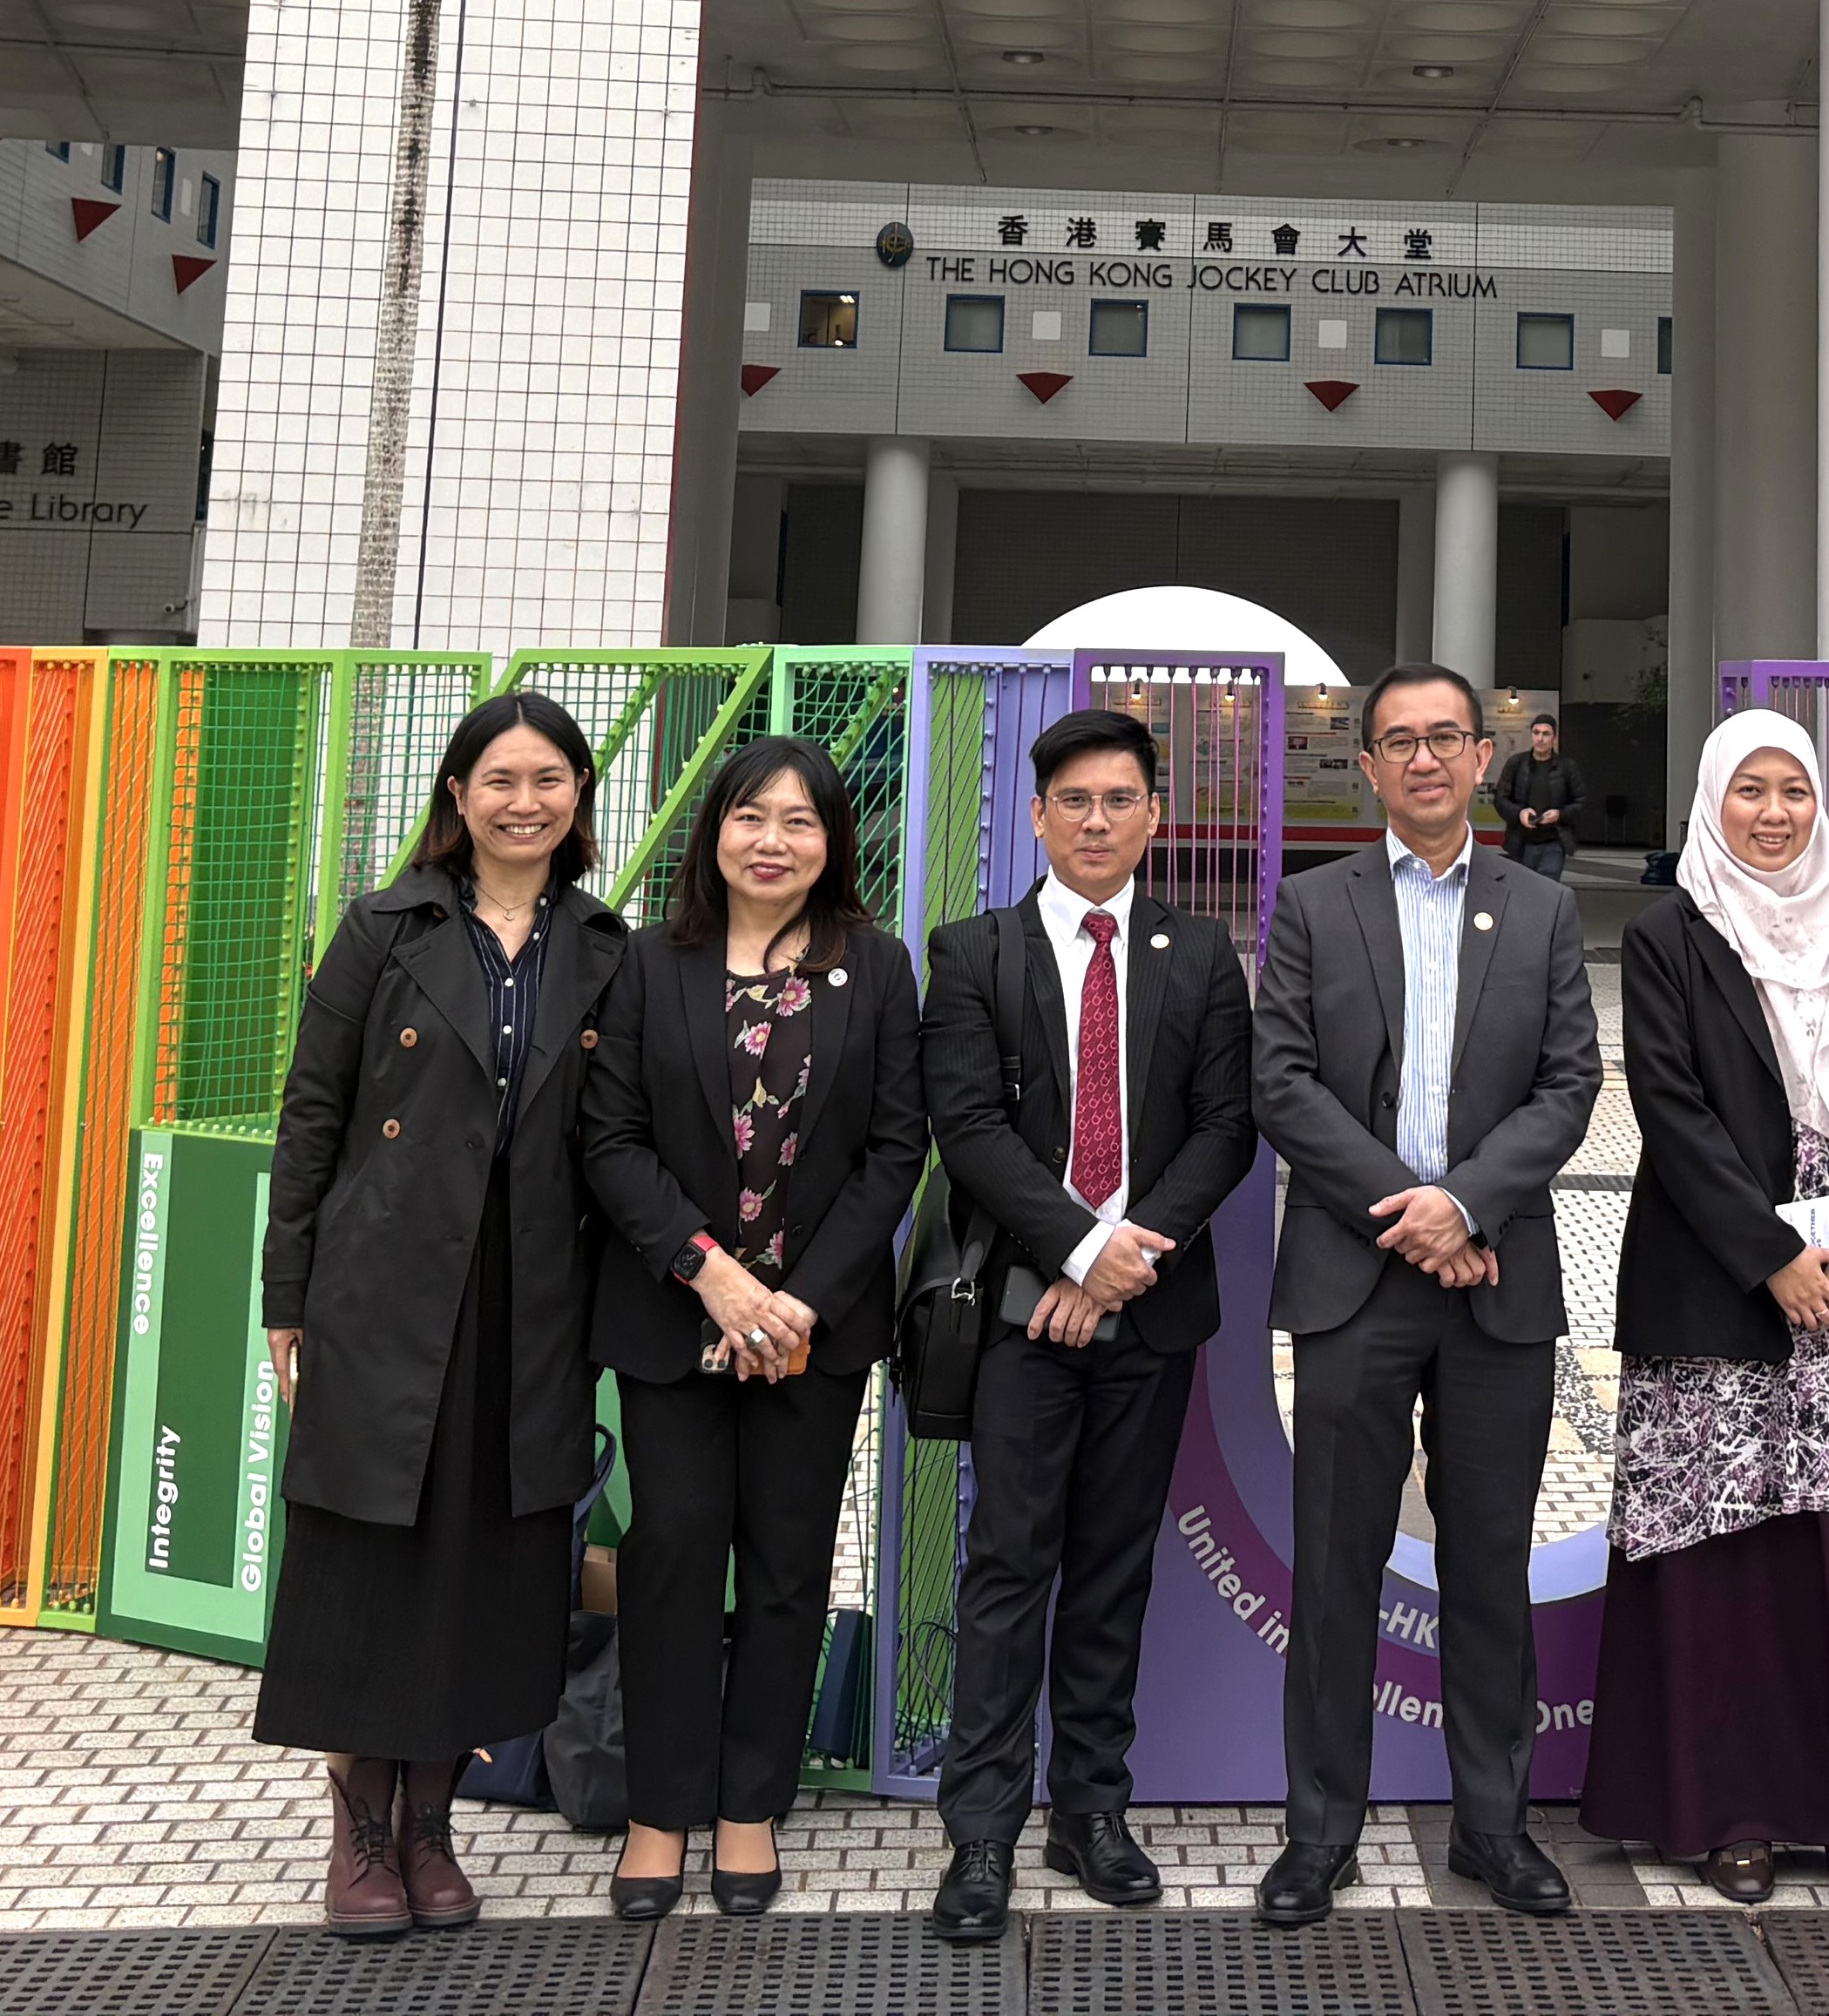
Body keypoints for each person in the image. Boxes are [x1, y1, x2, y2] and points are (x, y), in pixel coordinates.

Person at [254, 691, 628, 1941]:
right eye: (500, 780)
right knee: (374, 1558)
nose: (525, 802)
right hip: (387, 1293)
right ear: (457, 796)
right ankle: (360, 1821)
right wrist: (287, 1293)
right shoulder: (384, 930)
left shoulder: (603, 944)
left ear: (580, 797)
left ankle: (432, 1821)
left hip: (532, 1305)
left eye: (550, 780)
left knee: (488, 1565)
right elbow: (312, 1117)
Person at [1247, 661, 1602, 1926]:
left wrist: (1468, 1204)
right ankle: (1318, 1834)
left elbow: (1571, 1085)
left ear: (1479, 756)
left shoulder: (1540, 909)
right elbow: (1282, 1082)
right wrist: (1412, 1209)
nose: (1424, 760)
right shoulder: (1311, 904)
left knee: (1489, 1565)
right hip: (1356, 1276)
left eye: (1445, 737)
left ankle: (1493, 1828)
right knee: (1336, 1565)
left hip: (1495, 1279)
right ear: (1369, 762)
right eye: (1397, 742)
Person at [1584, 707, 1829, 1909]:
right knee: (1720, 1564)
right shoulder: (1670, 937)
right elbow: (1670, 1109)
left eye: (1794, 790)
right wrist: (1769, 1258)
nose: (1774, 813)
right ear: (1710, 802)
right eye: (1750, 791)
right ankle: (1725, 1812)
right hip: (1716, 1297)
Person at [919, 706, 1263, 1942]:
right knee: (1011, 1567)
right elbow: (968, 1133)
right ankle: (979, 1834)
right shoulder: (972, 953)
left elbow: (1227, 1126)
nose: (1098, 821)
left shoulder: (1200, 952)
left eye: (1121, 800)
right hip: (1020, 1314)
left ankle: (1091, 1809)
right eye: (1075, 801)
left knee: (1115, 1567)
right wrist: (1074, 1248)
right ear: (1037, 813)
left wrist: (1124, 1263)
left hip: (1149, 1314)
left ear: (1154, 815)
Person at [582, 738, 927, 1919]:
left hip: (811, 1333)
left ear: (833, 842)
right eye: (750, 816)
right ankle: (655, 1812)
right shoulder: (643, 966)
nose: (772, 839)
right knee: (673, 1553)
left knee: (785, 1567)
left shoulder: (875, 971)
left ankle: (746, 1808)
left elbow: (894, 1152)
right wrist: (712, 1279)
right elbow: (610, 1142)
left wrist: (798, 1303)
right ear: (714, 833)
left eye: (800, 820)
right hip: (674, 1318)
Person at [1498, 712, 1588, 883]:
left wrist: (1560, 814)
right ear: (1531, 735)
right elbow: (1501, 799)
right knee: (1521, 891)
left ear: (1554, 737)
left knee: (1547, 891)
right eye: (1536, 733)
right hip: (1521, 842)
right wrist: (1519, 813)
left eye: (1546, 734)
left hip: (1553, 842)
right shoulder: (1517, 763)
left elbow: (1581, 802)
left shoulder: (1566, 767)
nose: (1540, 739)